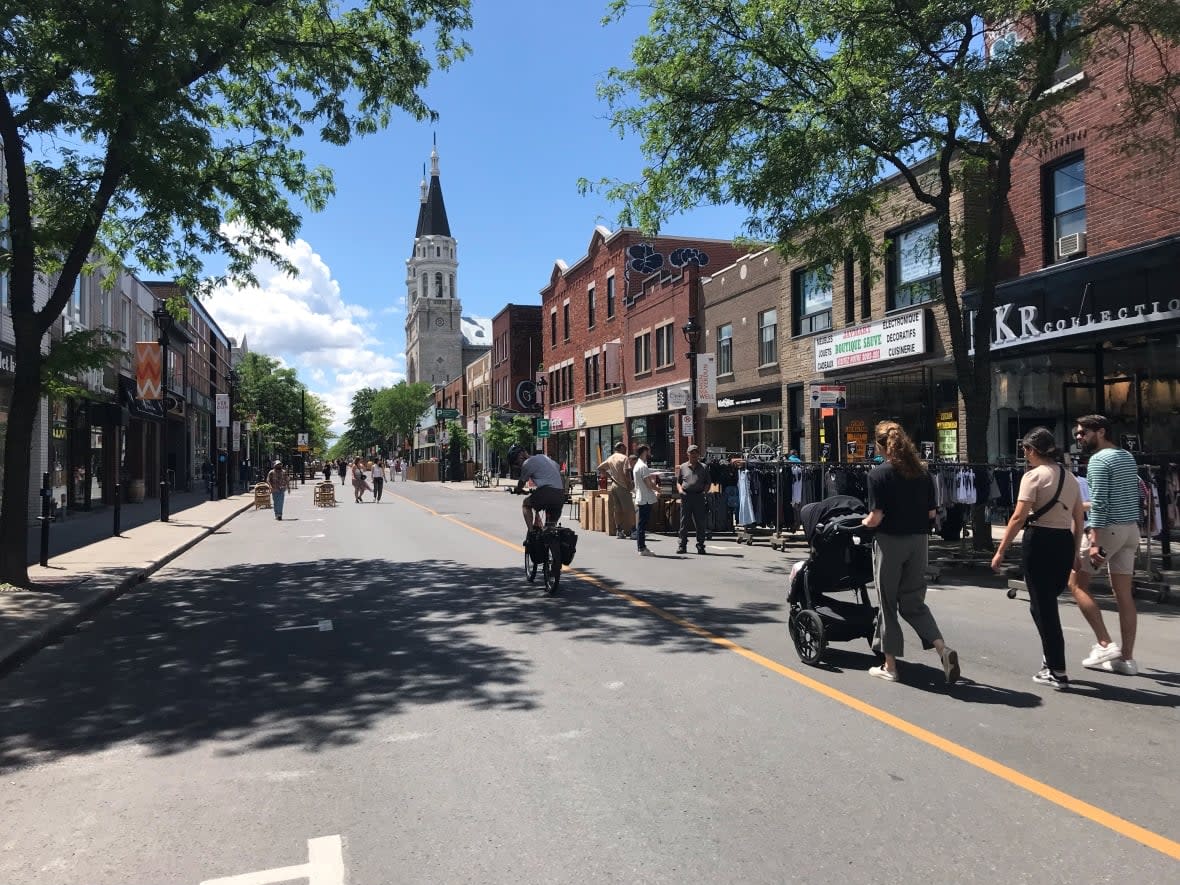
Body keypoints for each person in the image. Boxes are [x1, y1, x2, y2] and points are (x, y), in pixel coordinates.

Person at [861, 420, 960, 685]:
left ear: (880, 445)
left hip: (890, 543)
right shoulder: (922, 473)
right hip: (919, 542)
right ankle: (942, 649)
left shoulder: (877, 475)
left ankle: (890, 666)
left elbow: (876, 517)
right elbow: (931, 513)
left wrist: (862, 523)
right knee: (914, 602)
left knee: (887, 604)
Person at [991, 428, 1084, 690]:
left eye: (1025, 451)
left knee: (1044, 608)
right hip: (1064, 540)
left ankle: (1057, 668)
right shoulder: (1071, 478)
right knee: (1044, 602)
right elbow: (1079, 518)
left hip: (1040, 540)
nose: (1025, 456)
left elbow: (1018, 517)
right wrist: (1075, 552)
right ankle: (1050, 660)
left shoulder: (1033, 477)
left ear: (1032, 450)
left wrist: (1001, 550)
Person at [1071, 414, 1142, 675]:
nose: (1079, 438)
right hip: (1130, 529)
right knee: (1124, 594)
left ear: (1100, 432)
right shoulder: (1126, 456)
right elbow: (1122, 495)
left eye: (1082, 433)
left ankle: (1104, 643)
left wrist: (1093, 541)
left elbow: (1101, 504)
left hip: (1108, 530)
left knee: (1076, 584)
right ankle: (1127, 659)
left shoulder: (1098, 461)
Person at [508, 444, 565, 537]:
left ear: (521, 455)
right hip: (560, 494)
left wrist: (518, 490)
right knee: (550, 530)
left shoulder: (528, 463)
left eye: (517, 462)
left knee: (526, 504)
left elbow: (521, 482)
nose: (518, 465)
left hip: (547, 492)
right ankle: (551, 546)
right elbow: (557, 468)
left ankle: (531, 532)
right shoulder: (543, 457)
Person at [596, 442, 635, 540]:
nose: (626, 449)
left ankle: (619, 530)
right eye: (625, 447)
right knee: (629, 509)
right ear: (621, 448)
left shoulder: (611, 458)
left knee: (617, 509)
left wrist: (610, 476)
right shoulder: (624, 458)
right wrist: (630, 485)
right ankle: (634, 531)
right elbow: (626, 473)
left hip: (614, 485)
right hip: (623, 486)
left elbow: (599, 468)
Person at [676, 444, 709, 554]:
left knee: (700, 522)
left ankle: (700, 545)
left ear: (698, 454)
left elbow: (708, 483)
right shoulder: (682, 467)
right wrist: (680, 491)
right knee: (684, 522)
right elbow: (678, 482)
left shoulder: (704, 467)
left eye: (696, 453)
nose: (694, 455)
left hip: (698, 496)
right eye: (692, 453)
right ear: (688, 454)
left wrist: (704, 492)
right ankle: (682, 545)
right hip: (686, 496)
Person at [632, 444, 659, 557]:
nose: (649, 453)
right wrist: (657, 488)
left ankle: (642, 547)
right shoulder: (643, 466)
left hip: (641, 497)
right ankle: (642, 548)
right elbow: (648, 484)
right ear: (644, 452)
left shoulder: (637, 465)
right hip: (645, 498)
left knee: (641, 524)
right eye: (648, 451)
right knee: (642, 524)